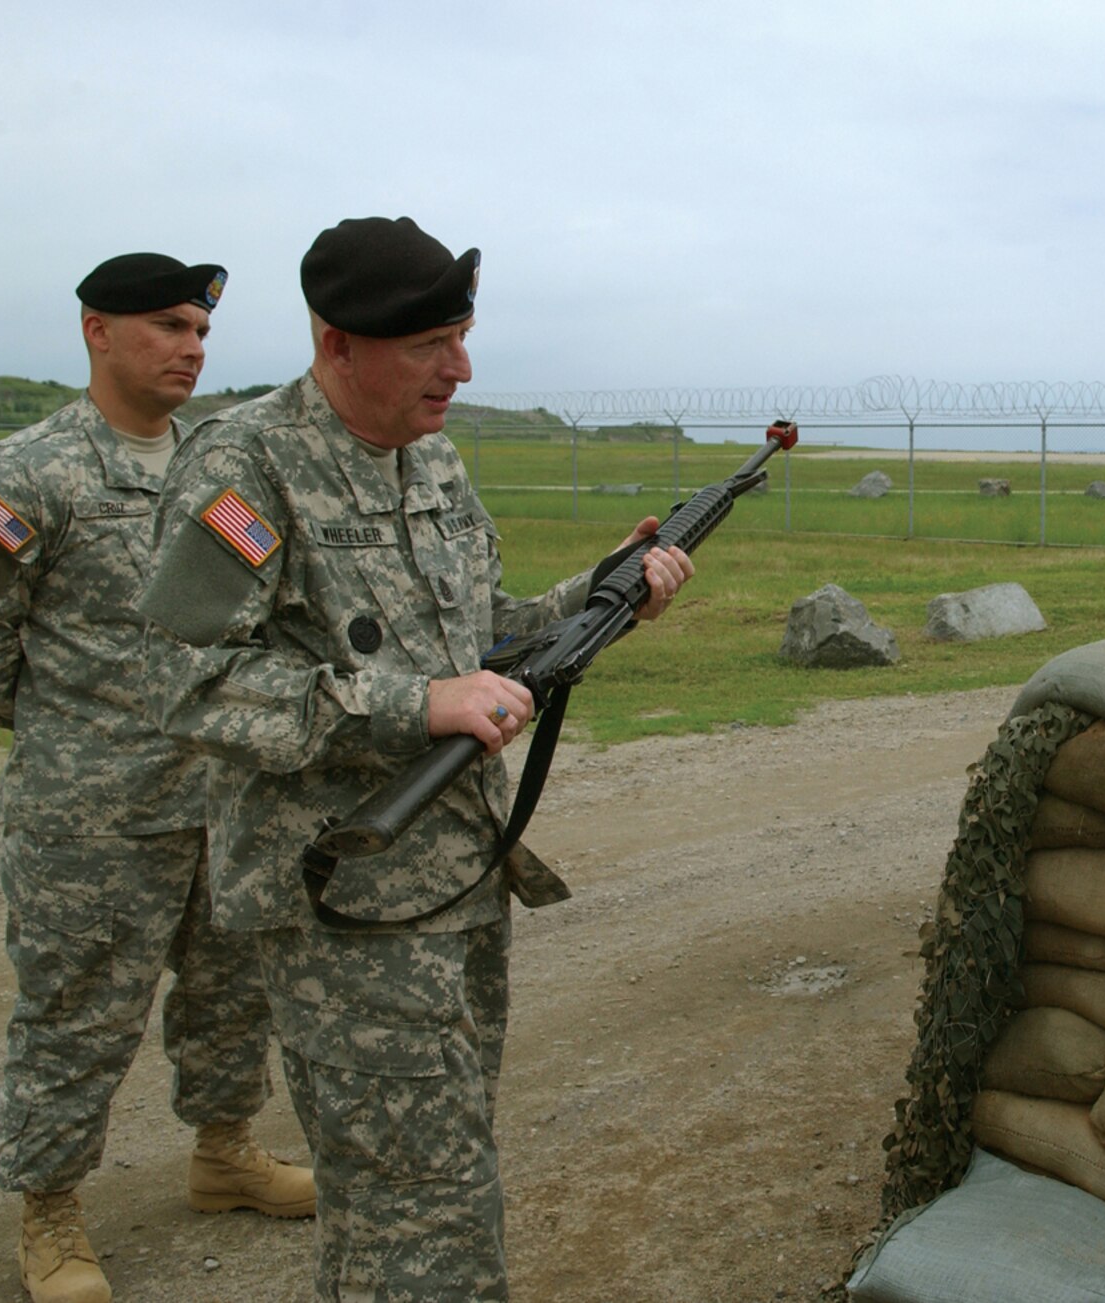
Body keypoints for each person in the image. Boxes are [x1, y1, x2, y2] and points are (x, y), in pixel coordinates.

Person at [135, 215, 694, 1301]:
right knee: (421, 1196)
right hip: (341, 894)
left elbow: (488, 639)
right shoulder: (245, 467)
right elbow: (184, 679)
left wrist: (606, 593)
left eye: (464, 334)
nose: (462, 366)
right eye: (431, 343)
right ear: (338, 343)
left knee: (411, 1178)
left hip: (457, 876)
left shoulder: (431, 462)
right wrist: (409, 703)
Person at [0, 255, 314, 1303]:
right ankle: (49, 1214)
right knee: (79, 1016)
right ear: (98, 331)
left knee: (232, 994)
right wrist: (61, 724)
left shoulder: (216, 464)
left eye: (200, 330)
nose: (191, 347)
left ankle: (224, 1151)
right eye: (168, 327)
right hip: (91, 817)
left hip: (219, 793)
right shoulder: (33, 473)